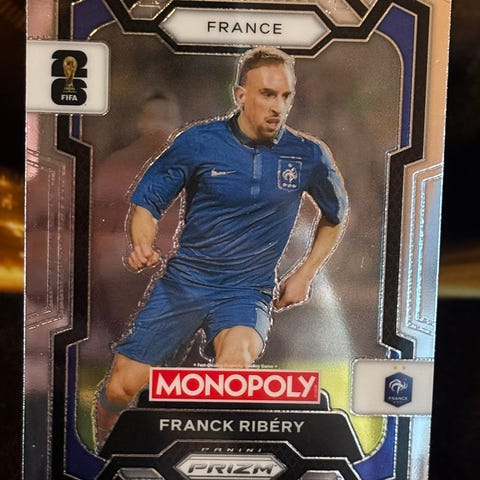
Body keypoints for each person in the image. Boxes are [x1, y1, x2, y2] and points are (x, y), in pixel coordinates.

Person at [94, 46, 348, 449]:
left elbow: (335, 217)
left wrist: (305, 272)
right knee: (122, 388)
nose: (278, 106)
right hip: (185, 283)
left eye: (286, 96)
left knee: (234, 366)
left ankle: (208, 460)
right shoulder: (198, 142)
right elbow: (147, 202)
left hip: (247, 290)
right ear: (240, 94)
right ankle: (103, 437)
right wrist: (142, 243)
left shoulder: (308, 154)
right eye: (267, 94)